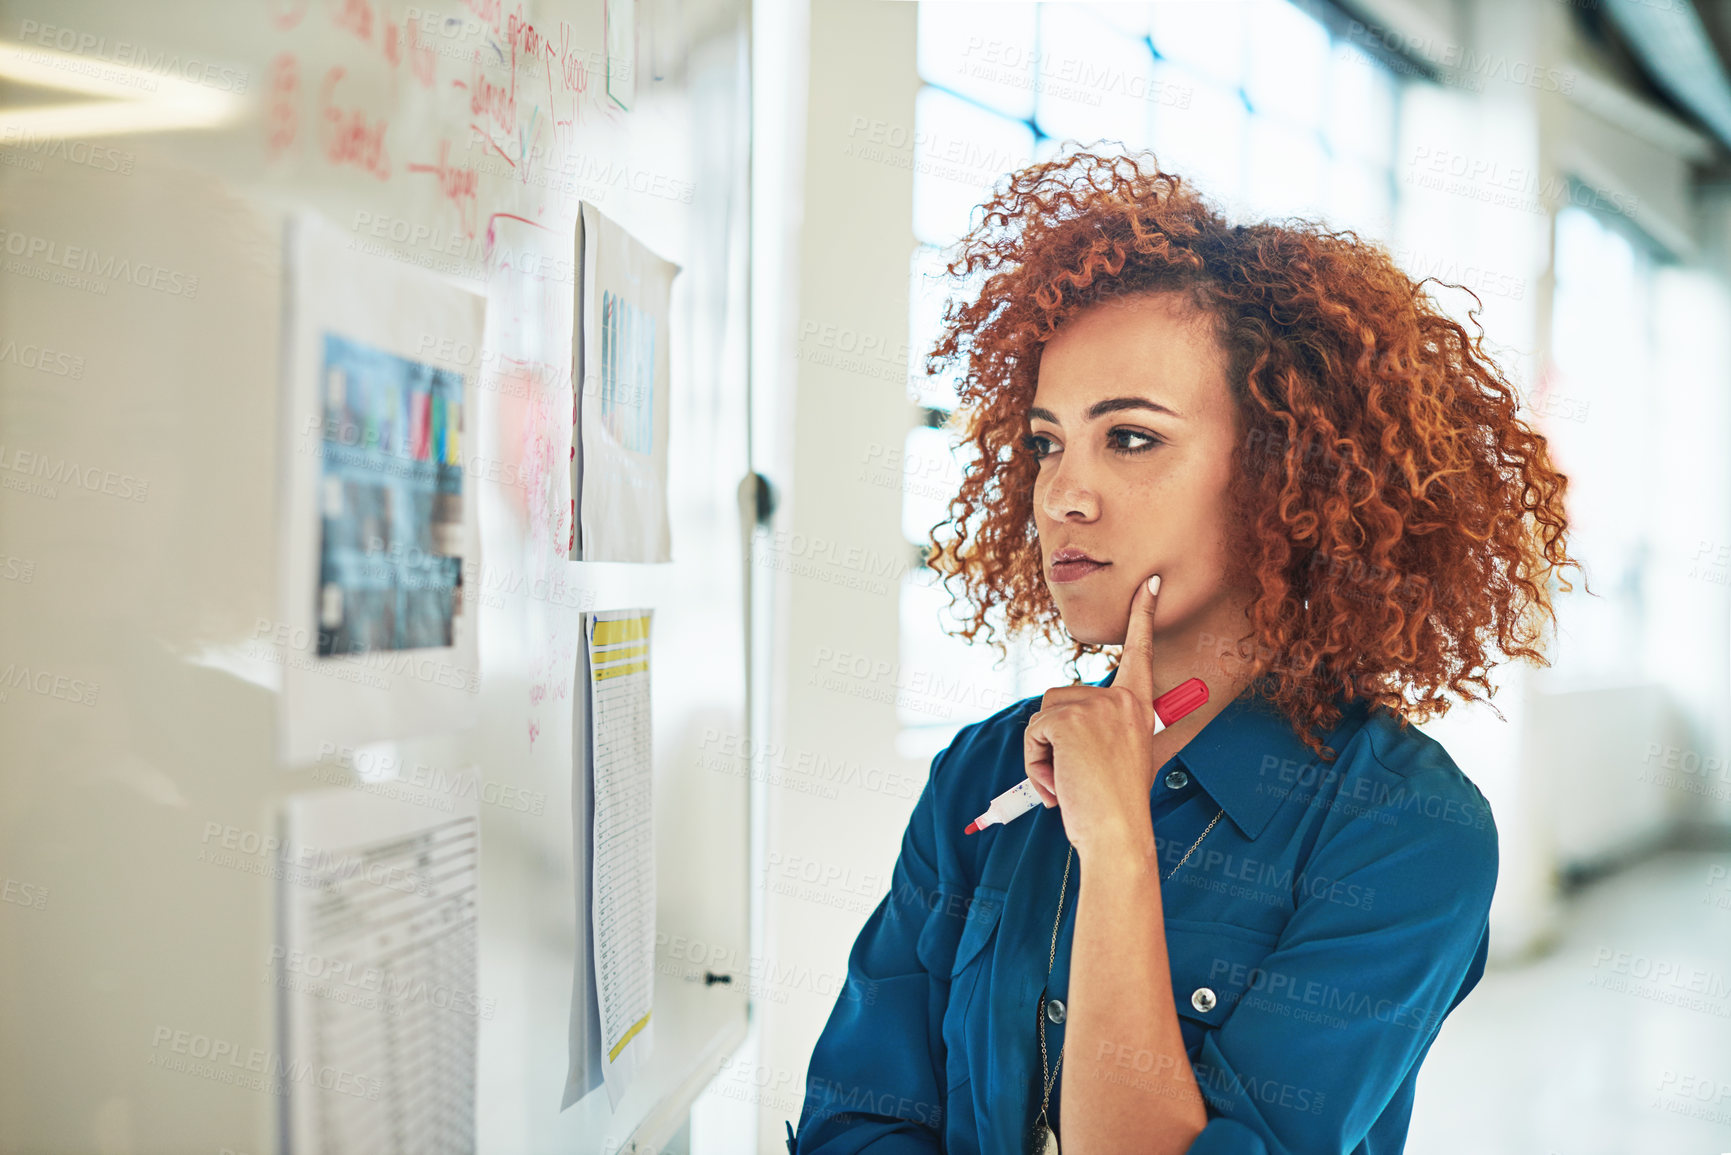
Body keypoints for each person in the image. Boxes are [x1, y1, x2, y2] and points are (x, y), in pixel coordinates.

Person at [785, 146, 1584, 1155]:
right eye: (1044, 442)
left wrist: (1116, 850)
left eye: (1129, 438)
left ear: (1280, 472)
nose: (1061, 495)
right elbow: (856, 1119)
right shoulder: (985, 774)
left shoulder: (1407, 830)